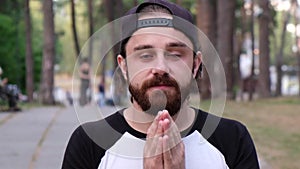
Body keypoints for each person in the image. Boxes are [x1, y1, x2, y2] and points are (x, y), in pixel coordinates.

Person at [62, 1, 259, 169]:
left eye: (175, 54)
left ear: (195, 64)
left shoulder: (232, 140)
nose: (160, 67)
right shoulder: (89, 143)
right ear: (124, 66)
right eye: (145, 55)